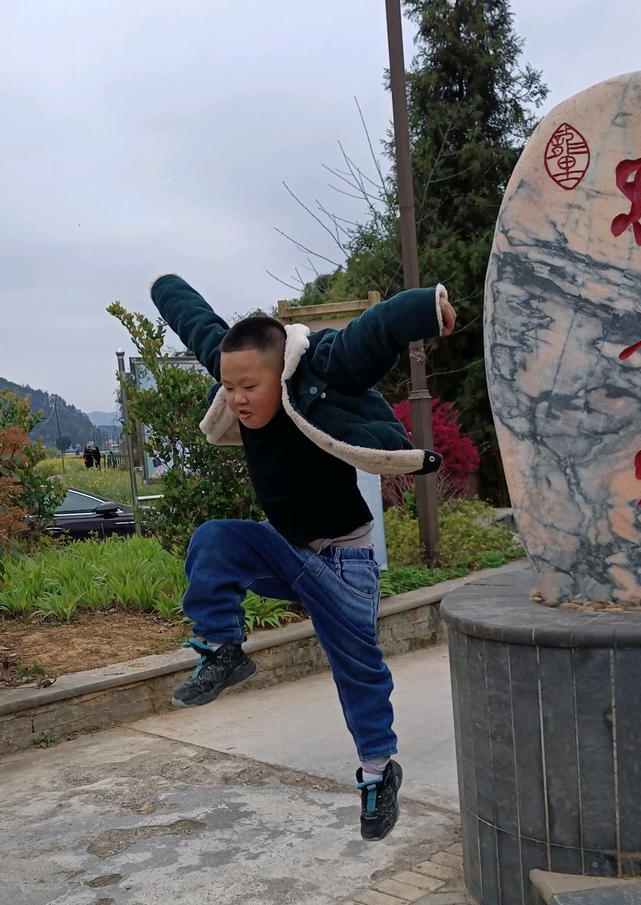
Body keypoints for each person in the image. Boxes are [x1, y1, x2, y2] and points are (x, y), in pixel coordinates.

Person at [150, 273, 454, 840]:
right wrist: (163, 287)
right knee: (215, 538)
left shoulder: (317, 376)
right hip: (291, 554)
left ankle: (377, 773)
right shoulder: (237, 384)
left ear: (280, 373)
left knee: (358, 671)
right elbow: (198, 325)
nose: (237, 399)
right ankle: (222, 648)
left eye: (249, 387)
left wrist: (427, 307)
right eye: (228, 387)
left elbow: (370, 334)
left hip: (346, 567)